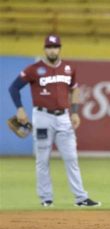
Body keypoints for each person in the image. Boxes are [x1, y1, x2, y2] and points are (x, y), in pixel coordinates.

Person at [8, 34, 101, 207]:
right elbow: (13, 87)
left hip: (63, 117)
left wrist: (74, 112)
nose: (52, 49)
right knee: (43, 159)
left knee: (71, 157)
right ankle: (46, 198)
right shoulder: (34, 69)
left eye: (55, 46)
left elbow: (74, 90)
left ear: (59, 48)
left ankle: (81, 198)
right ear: (45, 49)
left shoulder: (68, 68)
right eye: (49, 47)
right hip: (42, 117)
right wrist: (20, 108)